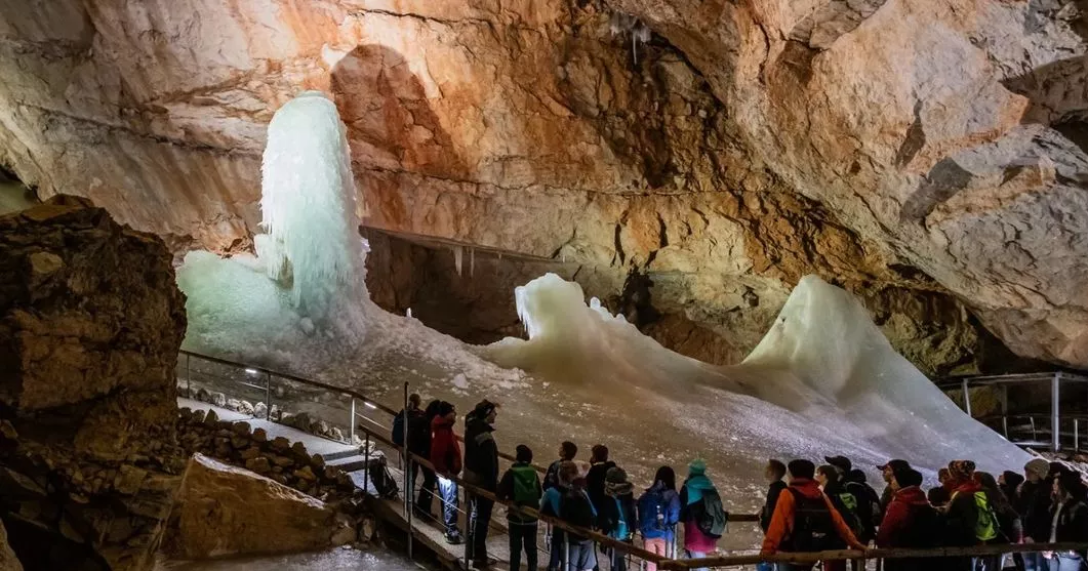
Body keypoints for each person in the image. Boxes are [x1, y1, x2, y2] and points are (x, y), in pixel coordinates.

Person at [762, 459, 867, 571]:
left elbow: (777, 525)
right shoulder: (820, 494)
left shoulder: (788, 494)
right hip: (811, 552)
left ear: (793, 474)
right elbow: (838, 522)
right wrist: (855, 544)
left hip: (789, 553)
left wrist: (767, 551)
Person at [876, 468, 940, 571]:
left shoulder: (899, 504)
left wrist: (883, 545)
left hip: (898, 557)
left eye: (894, 479)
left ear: (902, 481)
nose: (891, 482)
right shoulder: (924, 502)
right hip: (923, 558)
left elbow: (885, 532)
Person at [464, 399, 499, 569]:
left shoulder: (471, 426)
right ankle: (479, 557)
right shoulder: (485, 438)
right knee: (482, 520)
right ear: (486, 415)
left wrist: (484, 404)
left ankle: (470, 551)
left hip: (470, 477)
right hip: (482, 484)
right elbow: (490, 467)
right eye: (493, 412)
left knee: (474, 516)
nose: (496, 415)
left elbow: (471, 415)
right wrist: (495, 488)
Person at [498, 444, 542, 571]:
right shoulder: (533, 472)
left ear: (517, 458)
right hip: (532, 517)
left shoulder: (511, 473)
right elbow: (539, 493)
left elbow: (500, 494)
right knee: (531, 548)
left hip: (515, 517)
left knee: (515, 549)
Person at [942, 460, 988, 571]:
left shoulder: (961, 492)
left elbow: (965, 517)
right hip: (979, 536)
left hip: (963, 539)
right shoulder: (978, 487)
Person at [816, 465, 863, 571]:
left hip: (834, 535)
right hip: (841, 535)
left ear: (824, 475)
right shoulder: (839, 489)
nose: (816, 476)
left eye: (818, 473)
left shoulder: (830, 493)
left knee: (833, 565)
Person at [430, 401, 463, 544]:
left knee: (447, 500)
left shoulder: (444, 427)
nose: (455, 414)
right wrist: (445, 471)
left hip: (445, 472)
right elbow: (437, 453)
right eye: (452, 412)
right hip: (446, 473)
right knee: (451, 501)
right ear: (446, 414)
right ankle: (451, 531)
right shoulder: (443, 430)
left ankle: (449, 527)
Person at [680, 459, 723, 571]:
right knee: (696, 563)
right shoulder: (711, 487)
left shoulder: (688, 487)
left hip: (695, 536)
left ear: (691, 471)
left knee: (700, 567)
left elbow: (680, 512)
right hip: (711, 534)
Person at [639, 466, 681, 571]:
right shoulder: (672, 494)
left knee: (650, 565)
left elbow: (639, 508)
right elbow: (674, 515)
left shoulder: (648, 493)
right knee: (664, 565)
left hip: (648, 533)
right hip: (665, 534)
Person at [560, 463, 598, 571]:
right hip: (588, 533)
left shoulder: (565, 495)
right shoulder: (583, 492)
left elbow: (563, 515)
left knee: (571, 565)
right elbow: (593, 512)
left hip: (573, 535)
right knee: (587, 566)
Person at [541, 461, 578, 571]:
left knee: (557, 544)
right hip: (575, 528)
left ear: (558, 475)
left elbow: (541, 510)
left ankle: (553, 566)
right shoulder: (580, 491)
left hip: (559, 524)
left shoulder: (551, 491)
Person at [1047, 471, 1088, 571]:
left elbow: (1082, 529)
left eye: (1056, 484)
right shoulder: (1056, 505)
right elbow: (1052, 527)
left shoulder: (1077, 506)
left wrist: (1075, 548)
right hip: (1054, 549)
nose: (1053, 486)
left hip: (1068, 552)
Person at [1019, 459, 1055, 571]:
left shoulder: (1047, 491)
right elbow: (1022, 512)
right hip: (1026, 534)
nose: (1027, 474)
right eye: (1027, 471)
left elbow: (1046, 517)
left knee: (1040, 566)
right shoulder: (1024, 488)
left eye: (1031, 471)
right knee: (1029, 566)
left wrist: (1035, 536)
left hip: (1040, 537)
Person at [601, 467, 637, 571]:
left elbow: (605, 518)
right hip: (627, 536)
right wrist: (631, 536)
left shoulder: (608, 496)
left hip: (613, 537)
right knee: (619, 560)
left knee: (614, 563)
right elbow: (632, 518)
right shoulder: (629, 495)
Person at [411, 398, 440, 519]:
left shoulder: (423, 418)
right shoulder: (427, 423)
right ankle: (423, 509)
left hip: (414, 452)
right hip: (419, 454)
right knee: (429, 479)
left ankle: (416, 506)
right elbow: (426, 441)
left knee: (413, 477)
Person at [760, 460, 789, 565]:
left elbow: (773, 515)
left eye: (767, 468)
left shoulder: (775, 490)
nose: (765, 470)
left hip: (776, 540)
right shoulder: (781, 487)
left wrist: (763, 518)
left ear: (771, 472)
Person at [587, 445, 617, 517]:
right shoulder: (611, 466)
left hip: (598, 504)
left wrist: (593, 465)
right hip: (610, 504)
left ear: (594, 457)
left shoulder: (593, 471)